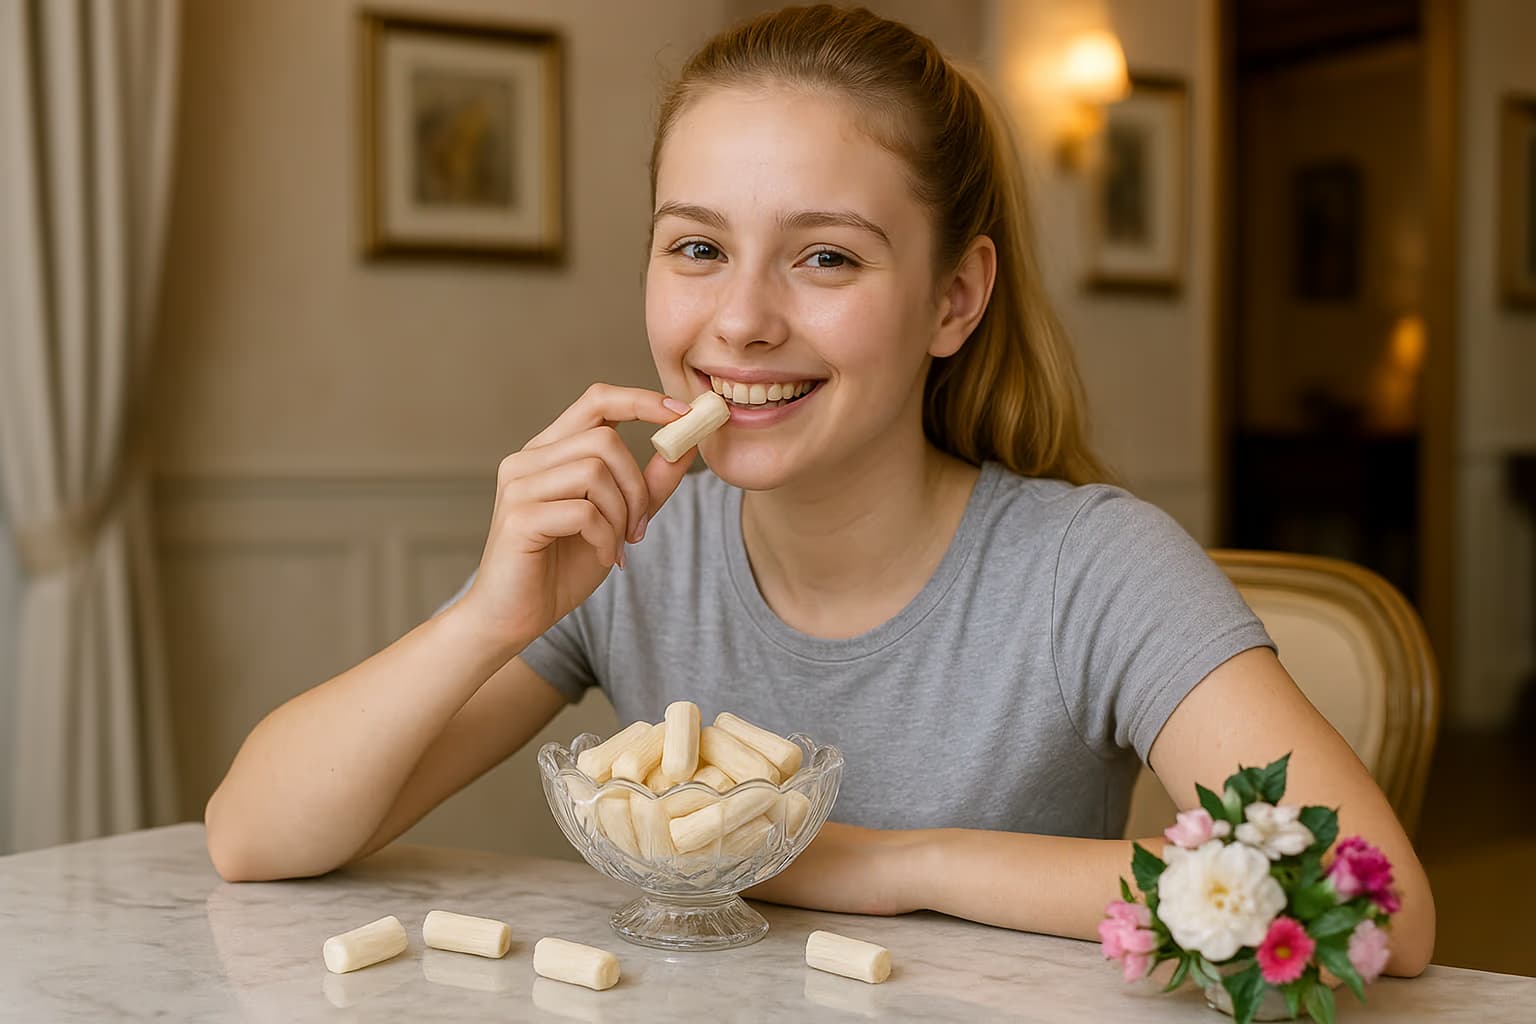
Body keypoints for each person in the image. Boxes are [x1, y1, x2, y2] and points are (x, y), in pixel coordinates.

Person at [205, 4, 1433, 975]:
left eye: (827, 256)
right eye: (697, 247)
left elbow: (1371, 894)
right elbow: (253, 837)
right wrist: (489, 615)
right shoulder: (640, 546)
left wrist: (887, 862)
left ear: (955, 297)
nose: (739, 321)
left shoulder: (1089, 567)